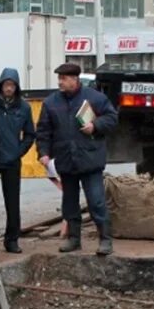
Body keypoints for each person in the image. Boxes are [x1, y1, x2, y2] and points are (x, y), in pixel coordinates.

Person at [35, 62, 119, 256]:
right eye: (59, 78)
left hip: (89, 159)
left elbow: (112, 118)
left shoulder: (96, 98)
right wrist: (44, 153)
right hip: (66, 160)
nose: (60, 82)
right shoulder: (51, 103)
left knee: (96, 201)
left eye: (64, 79)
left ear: (75, 79)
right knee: (69, 203)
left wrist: (95, 125)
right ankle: (74, 239)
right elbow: (43, 131)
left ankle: (105, 240)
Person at [0, 68, 36, 254]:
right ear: (0, 85)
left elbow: (30, 134)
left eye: (12, 85)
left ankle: (12, 240)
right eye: (6, 84)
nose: (9, 88)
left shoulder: (23, 107)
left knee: (12, 203)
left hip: (12, 161)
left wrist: (18, 151)